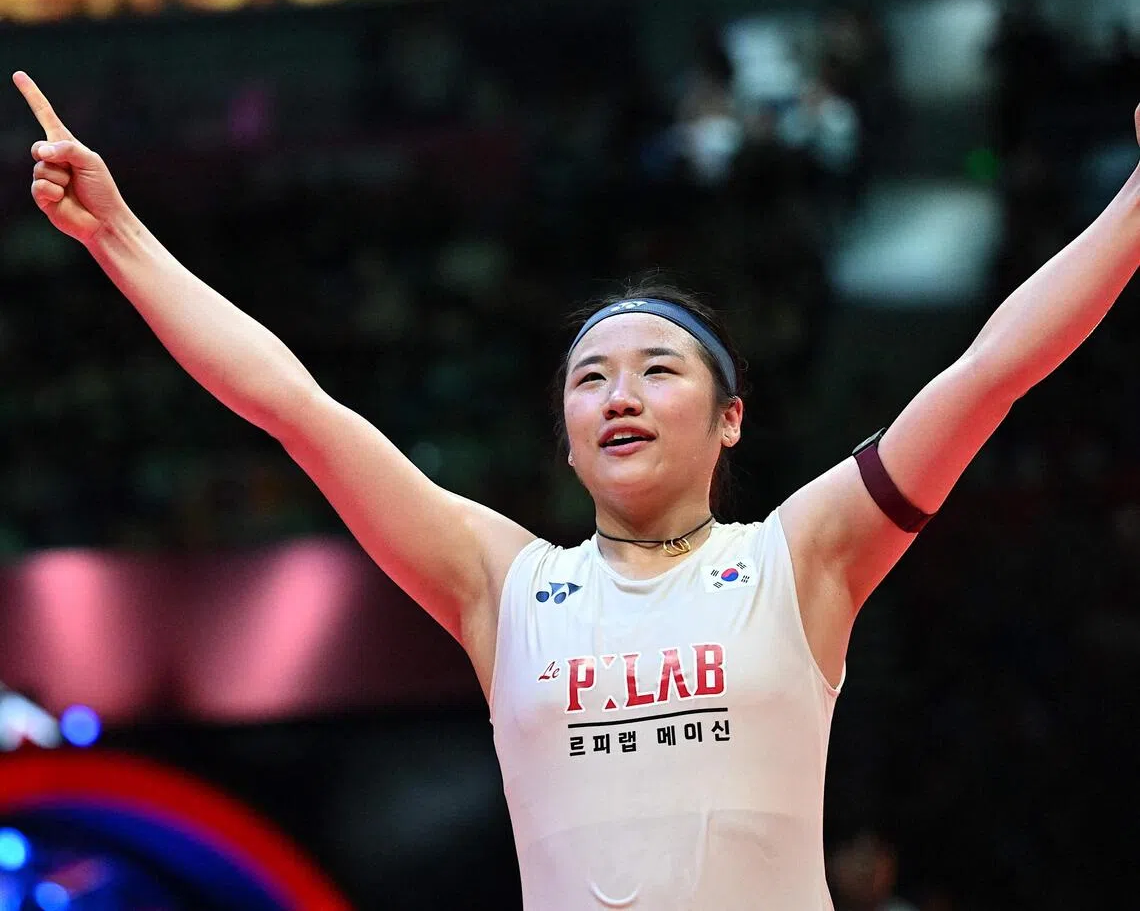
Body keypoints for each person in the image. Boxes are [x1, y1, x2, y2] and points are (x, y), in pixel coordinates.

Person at [14, 66, 1140, 909]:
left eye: (659, 370)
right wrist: (120, 238)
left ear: (730, 419)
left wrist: (1134, 209)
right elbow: (293, 407)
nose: (618, 395)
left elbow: (989, 373)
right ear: (565, 439)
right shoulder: (501, 587)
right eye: (590, 378)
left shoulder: (800, 559)